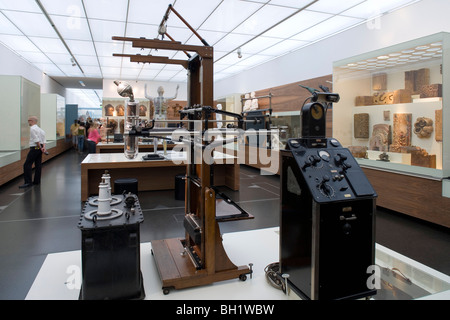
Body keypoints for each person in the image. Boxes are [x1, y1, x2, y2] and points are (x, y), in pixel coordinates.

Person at [19, 116, 47, 188]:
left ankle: (28, 182)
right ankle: (36, 181)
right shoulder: (41, 130)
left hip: (35, 148)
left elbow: (36, 140)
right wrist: (43, 147)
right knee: (38, 164)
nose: (28, 122)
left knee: (27, 164)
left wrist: (40, 148)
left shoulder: (32, 128)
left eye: (29, 120)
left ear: (32, 121)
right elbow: (43, 140)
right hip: (39, 148)